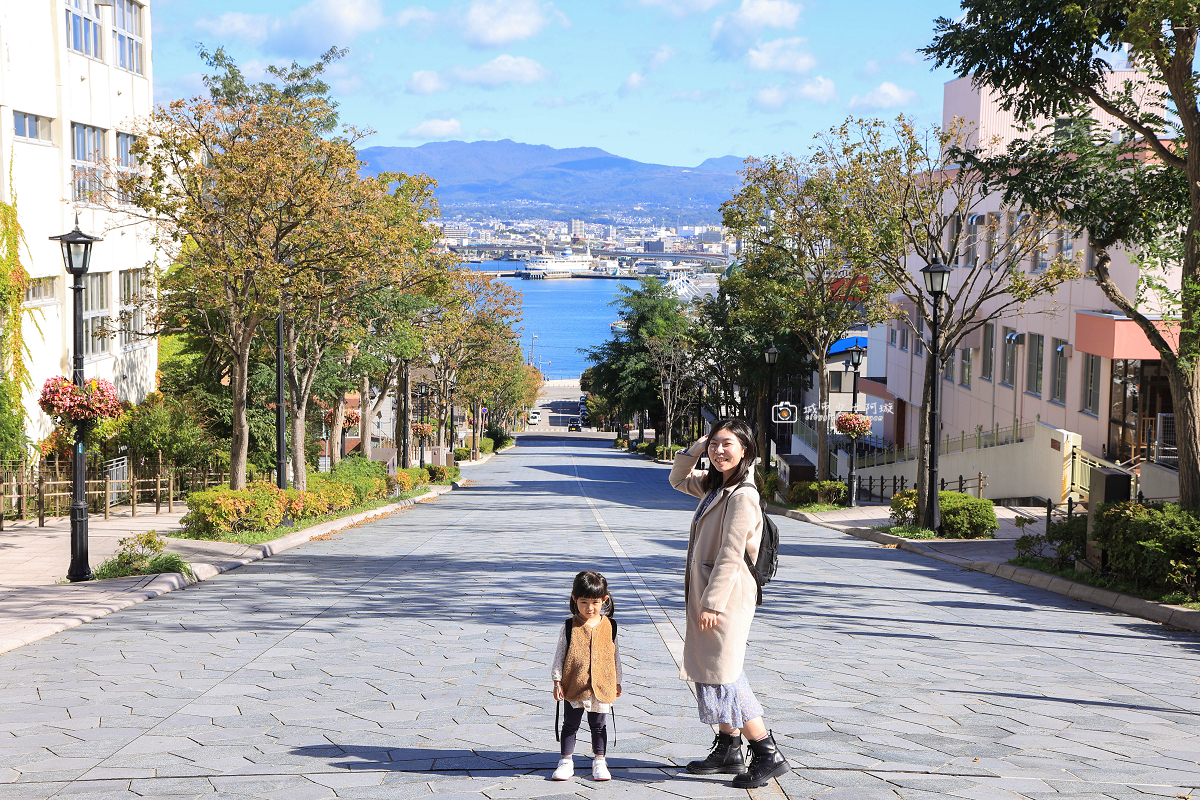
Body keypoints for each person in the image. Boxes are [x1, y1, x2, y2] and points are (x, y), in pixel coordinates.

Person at [668, 418, 790, 789]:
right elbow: (676, 478)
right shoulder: (716, 485)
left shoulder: (743, 496)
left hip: (725, 596)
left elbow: (731, 555)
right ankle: (728, 747)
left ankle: (766, 752)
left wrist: (712, 603)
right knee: (713, 668)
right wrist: (697, 445)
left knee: (725, 673)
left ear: (746, 451)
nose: (719, 451)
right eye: (715, 444)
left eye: (728, 445)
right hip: (709, 591)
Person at [550, 570, 622, 782]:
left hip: (603, 684)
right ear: (574, 599)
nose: (589, 608)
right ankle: (566, 761)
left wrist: (617, 681)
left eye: (595, 602)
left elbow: (615, 656)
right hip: (574, 684)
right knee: (570, 725)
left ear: (604, 600)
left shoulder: (611, 626)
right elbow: (560, 655)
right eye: (583, 602)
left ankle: (600, 760)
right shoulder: (569, 626)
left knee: (599, 725)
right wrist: (557, 680)